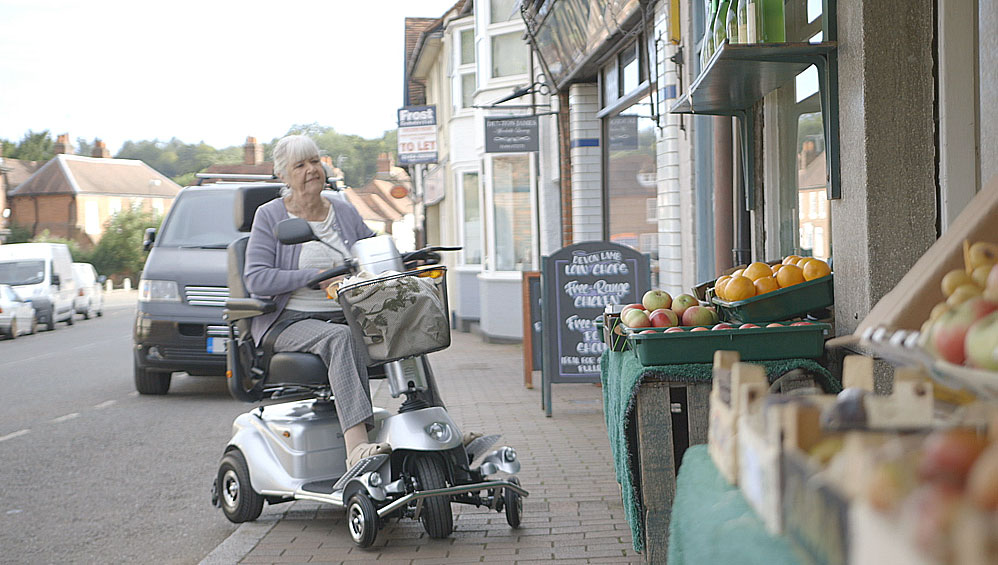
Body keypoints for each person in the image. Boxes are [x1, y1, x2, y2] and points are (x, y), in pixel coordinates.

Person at [244, 135, 390, 469]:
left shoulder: (340, 207)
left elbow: (370, 249)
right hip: (289, 320)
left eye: (314, 161)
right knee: (340, 339)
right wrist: (312, 275)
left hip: (345, 312)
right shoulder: (270, 216)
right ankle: (357, 448)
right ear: (284, 176)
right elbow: (257, 279)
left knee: (408, 327)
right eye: (300, 165)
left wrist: (396, 259)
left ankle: (435, 425)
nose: (312, 170)